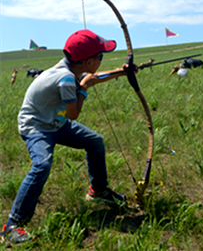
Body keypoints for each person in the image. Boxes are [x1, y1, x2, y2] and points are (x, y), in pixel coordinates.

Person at [1, 29, 131, 244]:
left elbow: (90, 77)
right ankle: (12, 225)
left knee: (95, 141)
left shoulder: (69, 67)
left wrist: (122, 72)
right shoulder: (65, 79)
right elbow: (74, 112)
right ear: (88, 61)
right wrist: (85, 89)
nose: (101, 60)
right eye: (100, 57)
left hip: (55, 123)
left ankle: (98, 190)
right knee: (41, 166)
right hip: (36, 127)